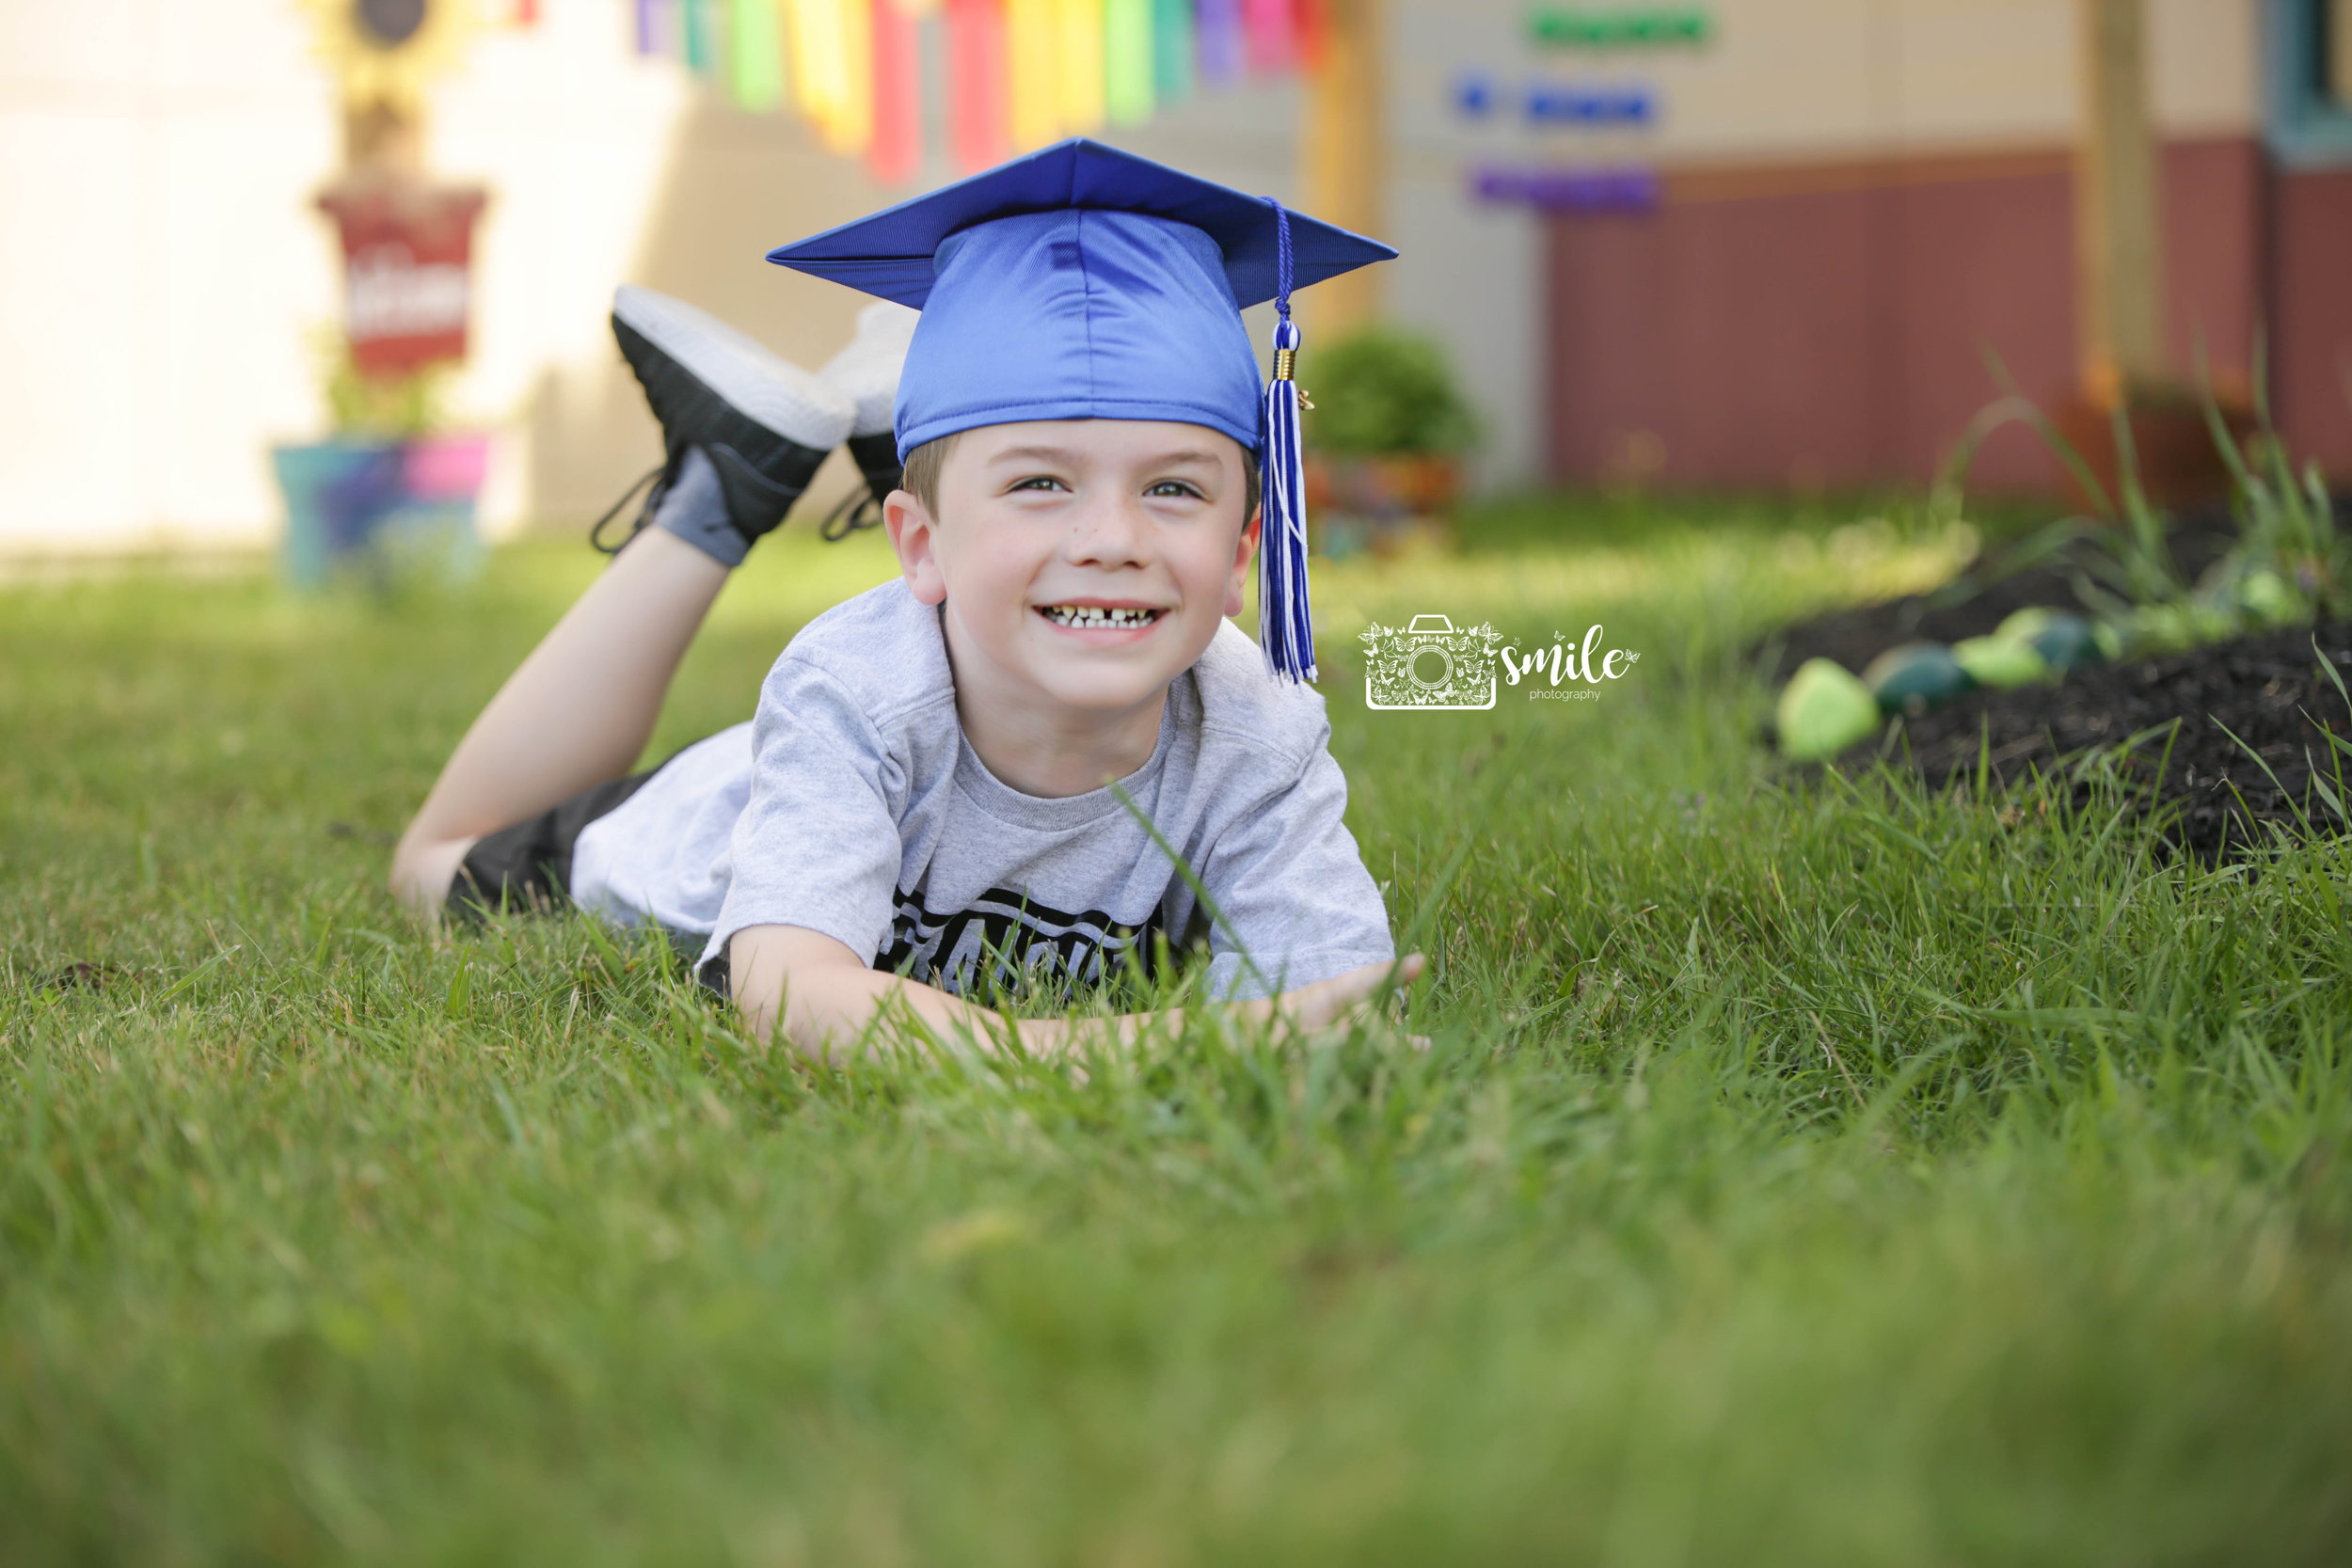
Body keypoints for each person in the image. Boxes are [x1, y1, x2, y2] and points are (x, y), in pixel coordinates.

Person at [389, 138, 1422, 1062]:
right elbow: (793, 999)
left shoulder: (1256, 730)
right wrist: (1120, 1049)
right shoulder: (853, 692)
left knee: (1019, 561)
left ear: (1244, 552)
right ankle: (721, 489)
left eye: (1173, 488)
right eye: (1041, 480)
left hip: (942, 651)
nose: (1114, 540)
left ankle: (934, 446)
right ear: (916, 548)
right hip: (705, 823)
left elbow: (1327, 1006)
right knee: (427, 864)